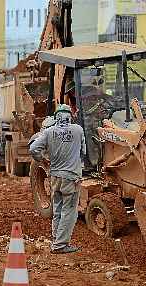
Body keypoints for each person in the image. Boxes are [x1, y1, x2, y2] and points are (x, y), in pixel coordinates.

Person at [29, 104, 86, 254]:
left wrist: (43, 160)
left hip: (55, 177)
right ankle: (60, 245)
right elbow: (83, 152)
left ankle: (56, 239)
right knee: (69, 211)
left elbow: (33, 149)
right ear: (70, 116)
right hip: (71, 177)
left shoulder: (48, 132)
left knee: (58, 209)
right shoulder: (78, 130)